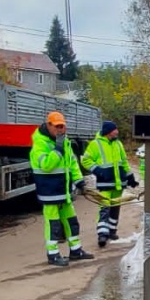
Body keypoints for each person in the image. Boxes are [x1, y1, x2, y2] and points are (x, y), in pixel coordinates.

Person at [30, 111, 94, 267]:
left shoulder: (63, 142)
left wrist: (79, 182)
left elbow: (72, 163)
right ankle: (53, 255)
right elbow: (46, 165)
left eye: (63, 126)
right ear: (49, 125)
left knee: (71, 221)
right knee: (53, 224)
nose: (61, 130)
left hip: (64, 191)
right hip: (50, 192)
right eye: (58, 126)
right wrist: (57, 150)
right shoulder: (40, 144)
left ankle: (76, 251)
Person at [81, 120, 138, 247]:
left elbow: (123, 162)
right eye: (114, 129)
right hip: (105, 183)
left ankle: (112, 231)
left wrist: (130, 177)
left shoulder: (118, 144)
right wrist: (98, 171)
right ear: (108, 132)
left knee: (115, 208)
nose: (117, 131)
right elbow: (85, 160)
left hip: (119, 184)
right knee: (104, 208)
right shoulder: (95, 144)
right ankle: (102, 234)